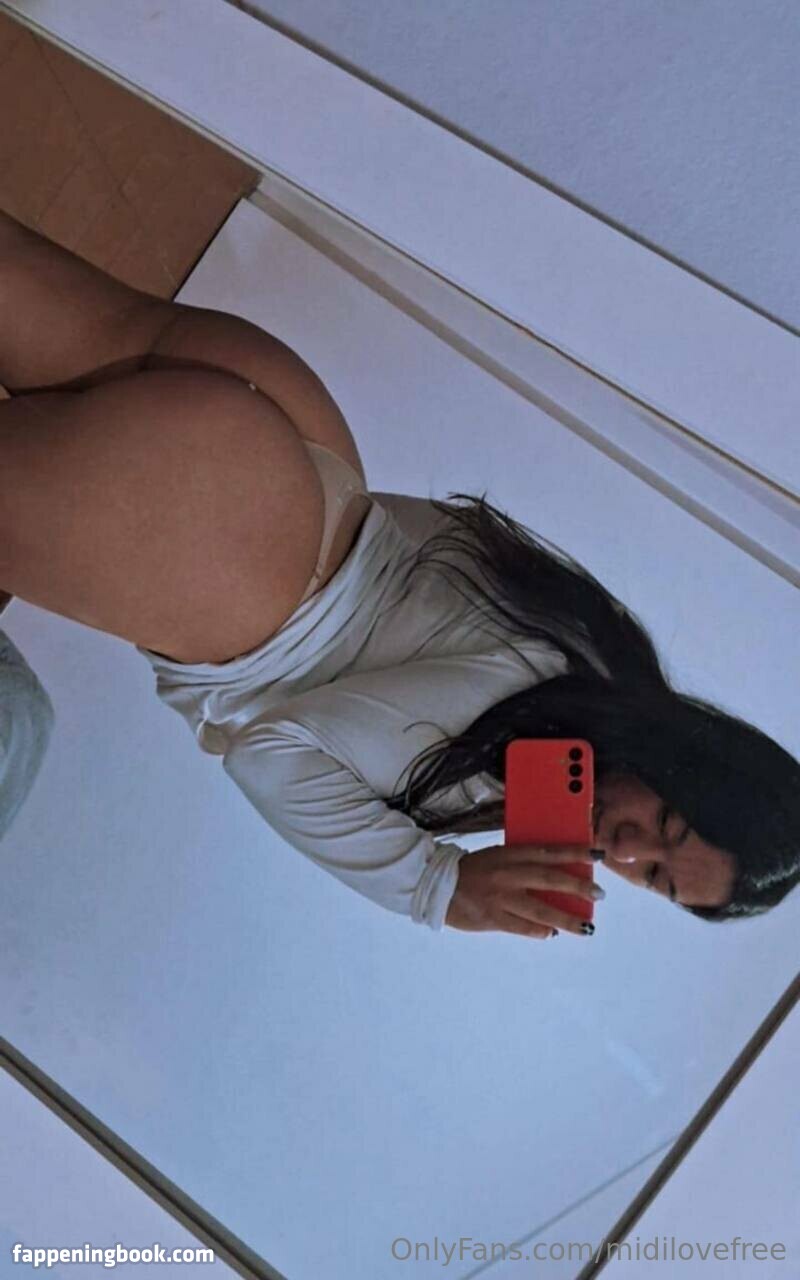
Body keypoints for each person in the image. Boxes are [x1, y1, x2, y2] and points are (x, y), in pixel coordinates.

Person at [1, 210, 798, 937]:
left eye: (654, 876)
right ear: (692, 762)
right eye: (667, 824)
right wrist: (436, 887)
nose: (623, 849)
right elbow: (273, 754)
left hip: (298, 446)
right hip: (225, 553)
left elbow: (433, 539)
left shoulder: (597, 646)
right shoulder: (528, 722)